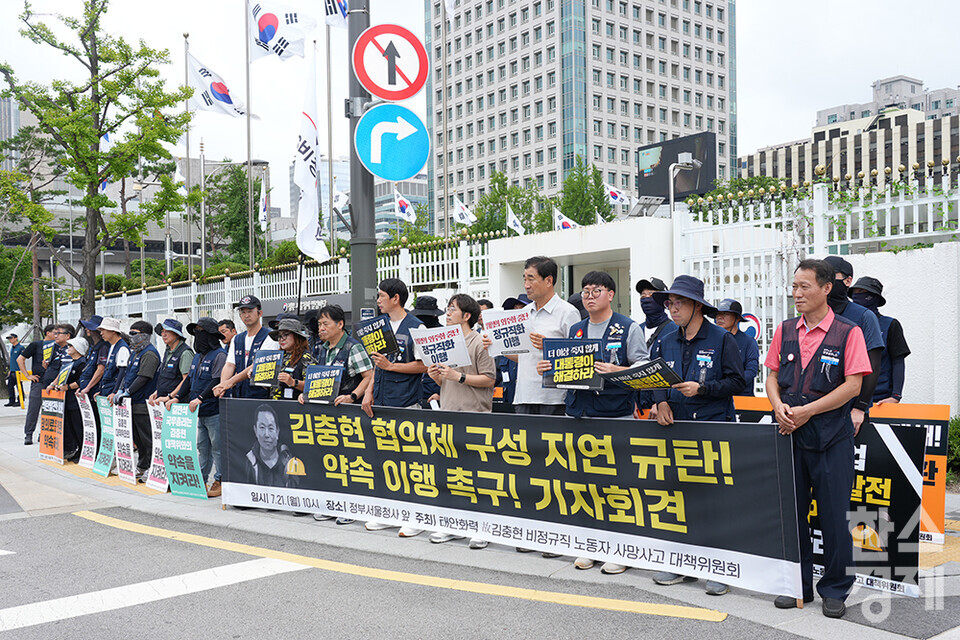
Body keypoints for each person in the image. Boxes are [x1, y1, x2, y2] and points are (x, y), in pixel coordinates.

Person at [766, 259, 872, 619]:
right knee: (792, 515)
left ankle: (835, 588)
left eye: (804, 287)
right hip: (790, 436)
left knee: (834, 517)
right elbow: (772, 376)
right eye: (794, 286)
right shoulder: (785, 330)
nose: (796, 294)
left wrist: (808, 411)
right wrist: (778, 405)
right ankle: (798, 585)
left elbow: (853, 386)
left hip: (831, 439)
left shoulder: (848, 332)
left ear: (826, 288)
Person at [538, 271, 648, 573]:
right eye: (585, 291)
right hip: (579, 415)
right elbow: (566, 369)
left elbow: (643, 367)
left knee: (617, 486)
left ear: (610, 294)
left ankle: (621, 550)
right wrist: (548, 368)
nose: (589, 296)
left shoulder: (628, 327)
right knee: (585, 485)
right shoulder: (576, 329)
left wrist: (616, 370)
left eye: (596, 290)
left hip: (615, 415)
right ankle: (591, 545)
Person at [649, 275, 744, 595]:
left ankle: (720, 567)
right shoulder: (665, 338)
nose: (672, 309)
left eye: (679, 303)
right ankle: (681, 564)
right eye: (669, 303)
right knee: (679, 498)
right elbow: (656, 376)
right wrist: (660, 401)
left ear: (697, 306)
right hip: (675, 428)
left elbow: (738, 382)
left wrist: (702, 389)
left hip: (712, 426)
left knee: (714, 501)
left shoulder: (722, 339)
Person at [427, 294, 496, 549]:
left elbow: (489, 379)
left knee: (477, 475)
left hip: (474, 415)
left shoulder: (479, 341)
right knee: (452, 475)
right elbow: (446, 382)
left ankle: (482, 527)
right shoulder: (446, 341)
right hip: (449, 413)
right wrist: (437, 376)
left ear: (467, 316)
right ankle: (454, 525)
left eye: (452, 309)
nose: (447, 314)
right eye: (447, 309)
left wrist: (459, 377)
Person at [487, 256, 581, 417]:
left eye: (531, 279)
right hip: (524, 395)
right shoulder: (523, 313)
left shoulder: (567, 312)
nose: (526, 285)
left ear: (549, 280)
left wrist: (548, 346)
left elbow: (578, 356)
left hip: (553, 398)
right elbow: (523, 356)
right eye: (524, 279)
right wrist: (495, 345)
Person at [311, 304, 375, 524]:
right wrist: (306, 394)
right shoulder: (321, 348)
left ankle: (352, 508)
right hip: (326, 416)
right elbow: (319, 378)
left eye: (325, 324)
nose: (321, 328)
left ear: (340, 324)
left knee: (351, 461)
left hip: (348, 415)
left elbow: (369, 375)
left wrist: (353, 396)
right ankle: (333, 505)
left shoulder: (353, 347)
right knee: (332, 462)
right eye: (319, 324)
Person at [822, 256, 884, 434]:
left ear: (848, 281)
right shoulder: (813, 315)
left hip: (849, 410)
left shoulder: (864, 316)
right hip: (816, 408)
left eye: (831, 276)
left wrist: (860, 407)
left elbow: (873, 364)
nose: (825, 282)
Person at [167, 317, 226, 498]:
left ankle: (220, 480)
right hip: (198, 412)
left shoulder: (219, 355)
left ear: (210, 335)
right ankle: (200, 478)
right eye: (196, 332)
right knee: (203, 447)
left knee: (217, 448)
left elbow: (217, 380)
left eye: (201, 332)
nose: (198, 336)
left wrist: (201, 397)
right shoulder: (198, 356)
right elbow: (189, 380)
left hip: (214, 409)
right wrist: (177, 397)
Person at [110, 321, 160, 481]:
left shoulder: (149, 354)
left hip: (143, 403)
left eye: (134, 333)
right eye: (130, 333)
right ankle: (142, 465)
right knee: (138, 439)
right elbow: (127, 375)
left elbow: (144, 377)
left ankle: (152, 467)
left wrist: (128, 391)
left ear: (144, 335)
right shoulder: (135, 352)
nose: (131, 336)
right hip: (131, 403)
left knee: (147, 439)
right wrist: (120, 390)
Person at [849, 277, 910, 403]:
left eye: (862, 292)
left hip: (880, 398)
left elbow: (898, 361)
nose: (857, 296)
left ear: (874, 297)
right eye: (855, 292)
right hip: (849, 396)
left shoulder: (890, 324)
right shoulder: (846, 324)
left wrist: (895, 396)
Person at [214, 295, 279, 401]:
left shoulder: (269, 337)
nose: (246, 315)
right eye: (243, 312)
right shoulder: (237, 339)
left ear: (260, 313)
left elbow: (257, 365)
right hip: (239, 395)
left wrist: (230, 382)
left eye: (250, 311)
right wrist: (222, 385)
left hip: (260, 396)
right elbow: (230, 365)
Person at [239, 403, 300, 488]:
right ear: (255, 430)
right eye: (262, 427)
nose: (266, 434)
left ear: (277, 431)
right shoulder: (249, 462)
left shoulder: (289, 461)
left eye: (271, 428)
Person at [18, 324, 56, 444]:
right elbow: (20, 359)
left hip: (53, 383)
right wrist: (27, 375)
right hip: (39, 381)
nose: (57, 335)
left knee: (50, 409)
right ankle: (29, 434)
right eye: (55, 333)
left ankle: (44, 433)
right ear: (48, 333)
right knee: (33, 409)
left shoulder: (57, 346)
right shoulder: (36, 345)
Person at [52, 336, 88, 461]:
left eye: (71, 346)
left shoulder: (82, 363)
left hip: (76, 400)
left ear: (78, 348)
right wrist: (54, 385)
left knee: (78, 426)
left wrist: (68, 387)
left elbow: (82, 380)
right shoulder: (71, 362)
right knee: (71, 426)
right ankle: (78, 449)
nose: (68, 348)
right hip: (67, 399)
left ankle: (83, 450)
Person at [714, 298, 760, 396]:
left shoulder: (748, 342)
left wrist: (731, 385)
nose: (720, 317)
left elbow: (751, 371)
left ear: (737, 318)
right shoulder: (712, 341)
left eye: (725, 314)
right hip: (717, 396)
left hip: (742, 397)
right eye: (718, 314)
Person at [493, 294, 530, 411]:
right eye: (514, 309)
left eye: (521, 309)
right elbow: (497, 374)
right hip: (508, 401)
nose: (517, 313)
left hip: (529, 402)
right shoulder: (504, 343)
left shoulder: (534, 340)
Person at [150, 319, 194, 408]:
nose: (164, 335)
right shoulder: (168, 351)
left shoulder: (185, 353)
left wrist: (170, 397)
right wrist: (157, 392)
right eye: (162, 331)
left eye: (167, 331)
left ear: (177, 334)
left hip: (177, 404)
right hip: (163, 402)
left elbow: (186, 380)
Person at [269, 318, 317, 401]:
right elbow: (269, 386)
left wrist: (293, 382)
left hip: (295, 406)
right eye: (279, 336)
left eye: (285, 335)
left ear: (296, 336)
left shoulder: (306, 358)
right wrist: (256, 377)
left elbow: (314, 387)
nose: (281, 339)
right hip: (274, 404)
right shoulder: (277, 357)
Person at [95, 317, 129, 400]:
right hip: (108, 391)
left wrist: (115, 392)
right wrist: (101, 391)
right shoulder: (112, 346)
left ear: (113, 331)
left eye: (104, 330)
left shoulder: (122, 348)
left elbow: (123, 372)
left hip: (113, 393)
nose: (101, 333)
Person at [6, 333, 24, 406]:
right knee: (10, 386)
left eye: (11, 338)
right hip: (12, 370)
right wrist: (10, 370)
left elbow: (23, 359)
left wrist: (21, 369)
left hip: (18, 370)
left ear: (16, 338)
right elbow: (12, 360)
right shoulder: (12, 348)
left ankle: (20, 401)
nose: (10, 340)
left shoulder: (20, 348)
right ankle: (11, 401)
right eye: (9, 339)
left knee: (19, 386)